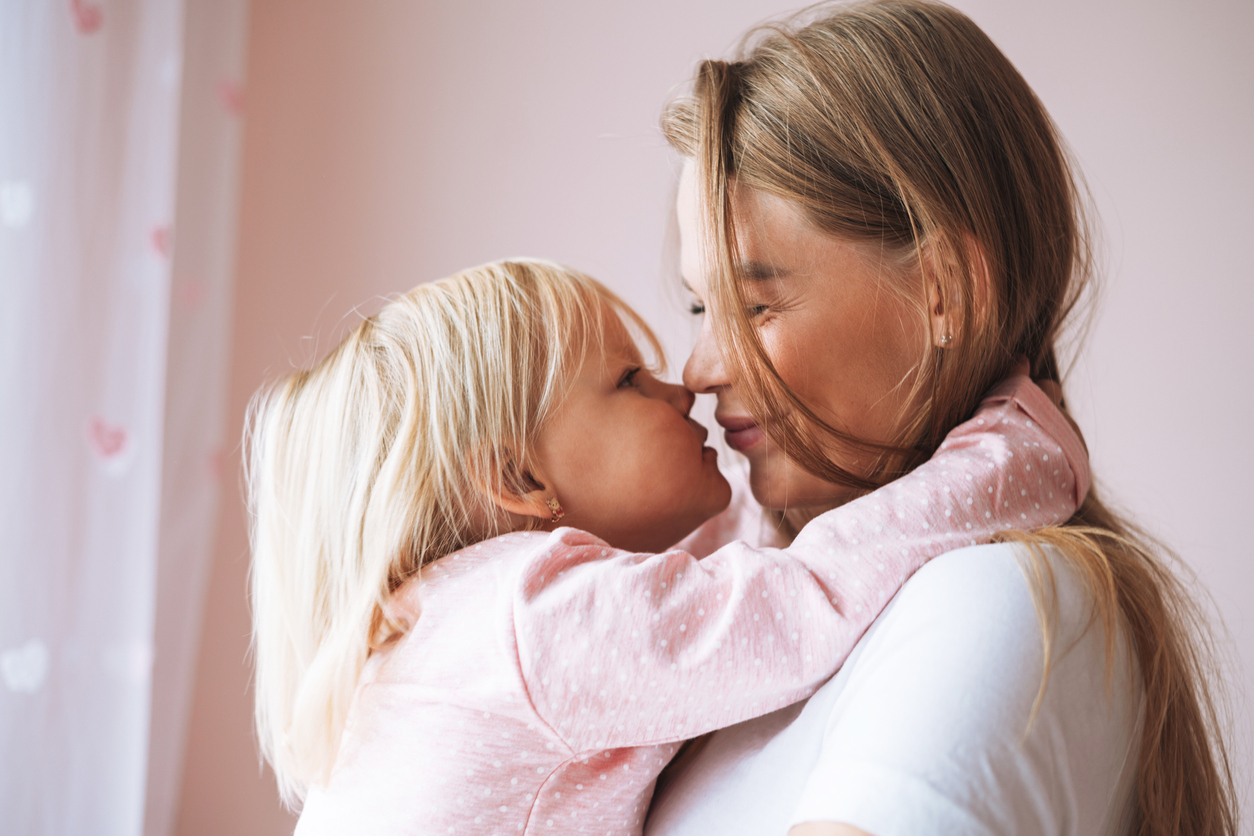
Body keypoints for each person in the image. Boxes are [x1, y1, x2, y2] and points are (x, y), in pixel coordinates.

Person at [644, 2, 1237, 835]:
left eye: (753, 304)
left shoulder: (996, 601)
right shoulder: (746, 627)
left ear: (943, 291)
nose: (700, 369)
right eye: (700, 306)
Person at [245, 258, 1087, 835]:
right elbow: (796, 604)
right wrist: (1008, 456)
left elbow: (719, 576)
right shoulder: (535, 619)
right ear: (517, 476)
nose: (680, 383)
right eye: (626, 381)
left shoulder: (451, 625)